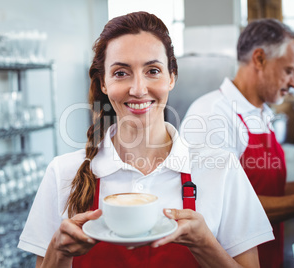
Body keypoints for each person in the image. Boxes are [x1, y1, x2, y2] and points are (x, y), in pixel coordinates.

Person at [18, 12, 274, 268]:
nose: (138, 89)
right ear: (103, 83)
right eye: (121, 73)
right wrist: (59, 252)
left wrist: (205, 245)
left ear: (172, 77)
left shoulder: (222, 169)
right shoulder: (62, 173)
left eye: (153, 70)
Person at [180, 18, 294, 268]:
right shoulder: (213, 115)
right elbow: (222, 209)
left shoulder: (261, 114)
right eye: (289, 70)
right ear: (259, 59)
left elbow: (270, 191)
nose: (293, 83)